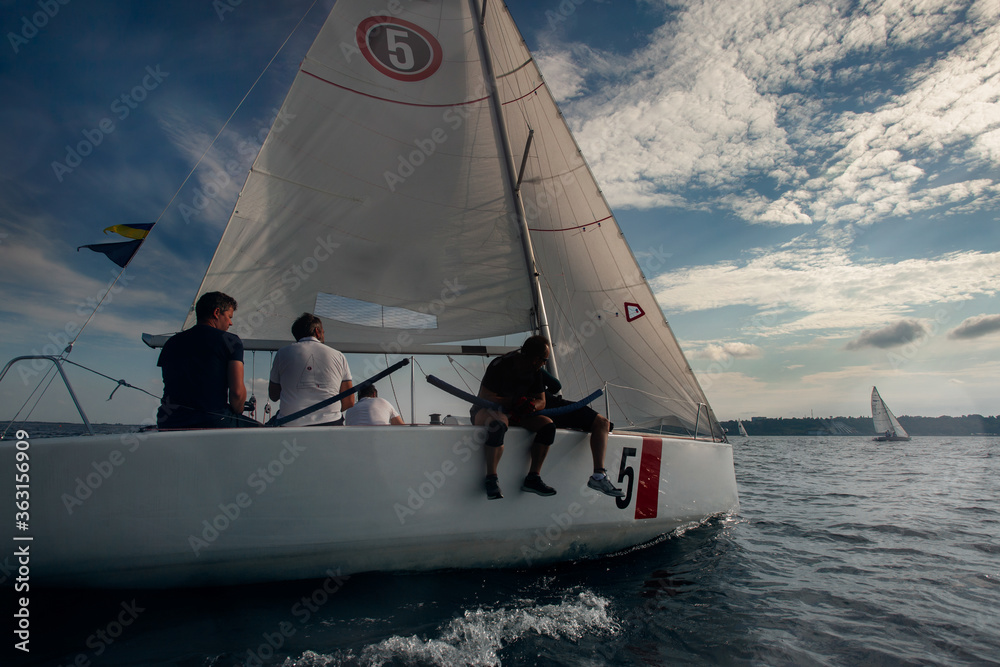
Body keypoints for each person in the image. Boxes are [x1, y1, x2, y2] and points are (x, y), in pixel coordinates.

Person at [471, 335, 624, 500]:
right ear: (536, 359)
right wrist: (513, 401)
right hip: (490, 409)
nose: (545, 364)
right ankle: (491, 479)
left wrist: (531, 405)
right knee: (499, 424)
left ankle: (533, 477)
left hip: (520, 412)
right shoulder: (501, 365)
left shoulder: (535, 371)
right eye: (544, 360)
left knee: (548, 426)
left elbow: (542, 401)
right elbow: (485, 397)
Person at [157, 291, 256, 429]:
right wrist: (238, 408)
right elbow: (237, 393)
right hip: (213, 421)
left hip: (168, 422)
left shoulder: (170, 343)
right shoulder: (231, 341)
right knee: (269, 436)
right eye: (229, 316)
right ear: (216, 313)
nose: (230, 323)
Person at [269, 313, 353, 426]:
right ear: (317, 332)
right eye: (323, 331)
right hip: (331, 423)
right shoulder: (339, 356)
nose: (324, 334)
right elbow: (349, 401)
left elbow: (273, 395)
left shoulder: (282, 353)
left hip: (291, 424)